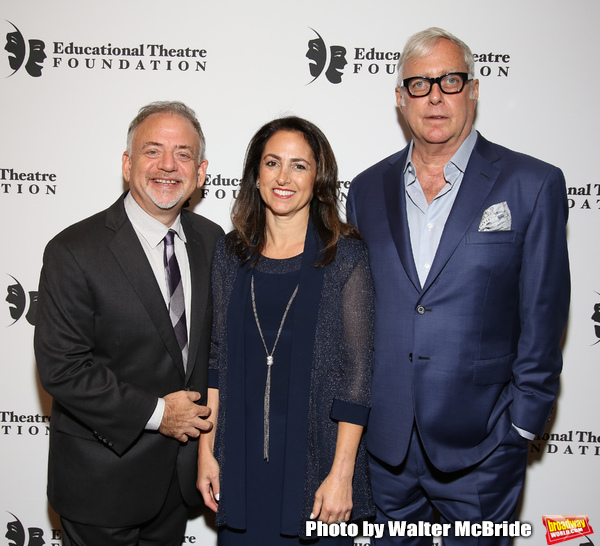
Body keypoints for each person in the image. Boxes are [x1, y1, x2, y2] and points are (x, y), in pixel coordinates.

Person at [347, 27, 570, 545]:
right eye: (420, 85)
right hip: (387, 447)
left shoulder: (532, 184)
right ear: (401, 100)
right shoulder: (365, 189)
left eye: (450, 80)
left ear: (473, 89)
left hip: (485, 445)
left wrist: (521, 427)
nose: (436, 96)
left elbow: (544, 313)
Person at [34, 101, 224, 546]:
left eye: (183, 154)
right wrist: (160, 414)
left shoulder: (214, 242)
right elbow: (63, 369)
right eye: (152, 150)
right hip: (100, 483)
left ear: (200, 172)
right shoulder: (74, 251)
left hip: (176, 484)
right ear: (127, 164)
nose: (167, 166)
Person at [197, 116, 375, 545]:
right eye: (272, 162)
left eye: (299, 165)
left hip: (316, 466)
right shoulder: (229, 253)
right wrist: (207, 452)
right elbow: (216, 361)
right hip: (240, 465)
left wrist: (341, 473)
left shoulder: (345, 259)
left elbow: (357, 379)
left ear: (319, 178)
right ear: (255, 176)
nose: (284, 177)